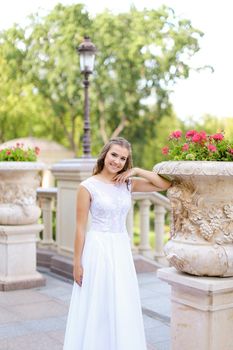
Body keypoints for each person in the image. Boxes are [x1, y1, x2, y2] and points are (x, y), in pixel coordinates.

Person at [63, 137, 171, 350]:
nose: (117, 161)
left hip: (120, 248)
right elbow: (80, 228)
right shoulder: (87, 186)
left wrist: (137, 170)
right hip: (98, 248)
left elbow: (165, 184)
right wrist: (77, 263)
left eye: (123, 158)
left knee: (121, 300)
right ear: (104, 154)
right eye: (114, 155)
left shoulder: (127, 183)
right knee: (97, 301)